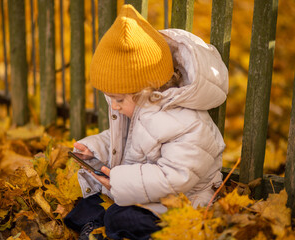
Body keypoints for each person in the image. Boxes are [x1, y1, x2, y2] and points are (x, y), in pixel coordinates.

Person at [64, 4, 228, 240]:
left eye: (118, 99)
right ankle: (98, 228)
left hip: (182, 203)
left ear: (146, 91)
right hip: (141, 193)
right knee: (88, 204)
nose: (114, 106)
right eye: (109, 98)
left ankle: (119, 229)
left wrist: (117, 181)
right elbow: (122, 140)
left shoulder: (189, 122)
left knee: (119, 216)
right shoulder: (138, 109)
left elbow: (176, 177)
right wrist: (95, 149)